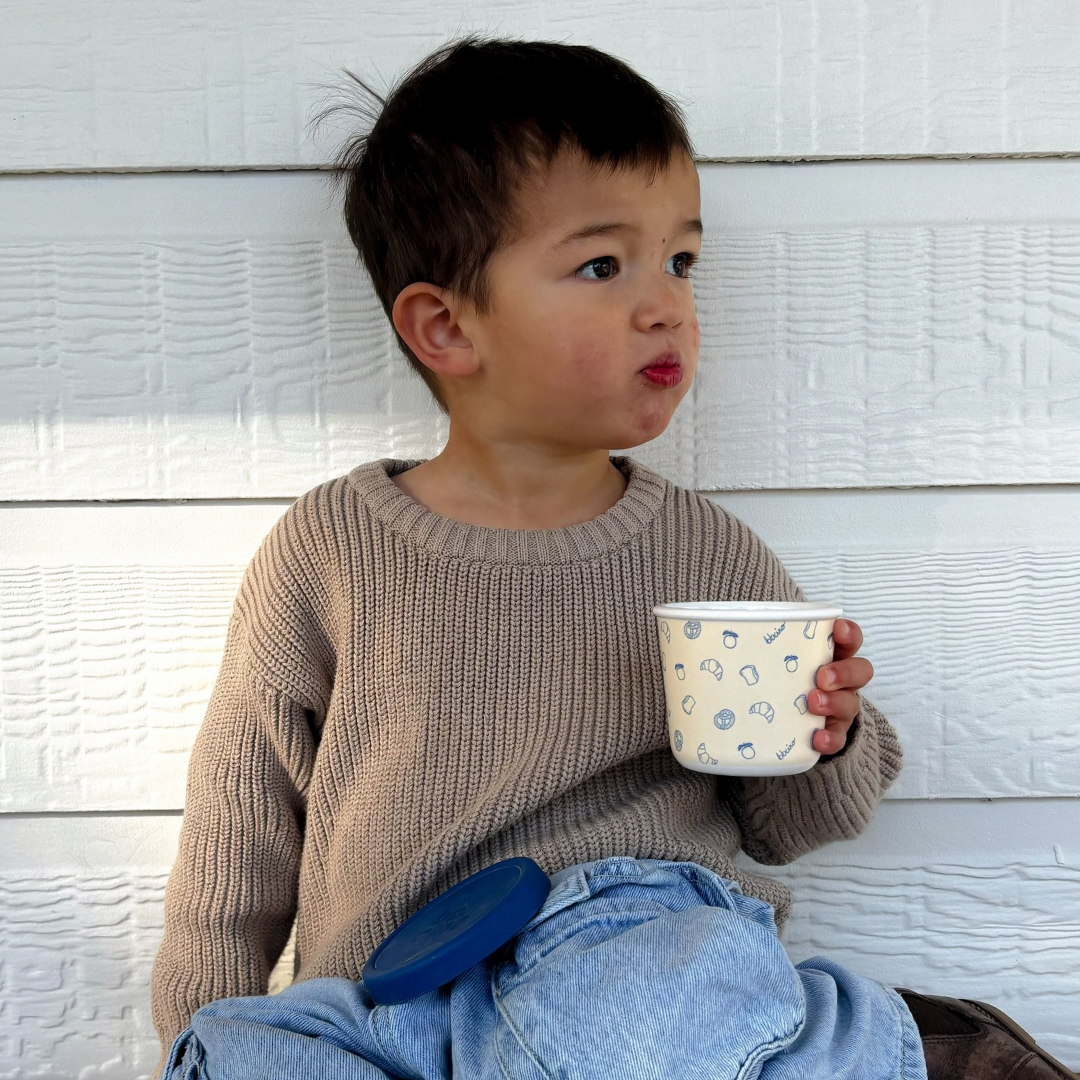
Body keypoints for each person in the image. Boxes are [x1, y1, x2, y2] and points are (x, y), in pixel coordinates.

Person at [149, 33, 1077, 1080]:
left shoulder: (703, 550)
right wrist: (207, 1024)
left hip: (633, 958)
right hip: (400, 998)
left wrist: (826, 732)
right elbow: (242, 818)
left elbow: (792, 825)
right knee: (242, 1056)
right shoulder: (331, 550)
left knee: (641, 1001)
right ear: (447, 328)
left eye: (681, 260)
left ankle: (909, 1049)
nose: (664, 301)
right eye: (603, 264)